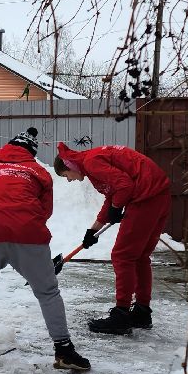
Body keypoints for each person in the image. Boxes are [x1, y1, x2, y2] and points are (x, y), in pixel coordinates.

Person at [0, 128, 90, 373]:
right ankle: (64, 350)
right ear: (31, 153)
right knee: (48, 291)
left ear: (6, 148)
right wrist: (26, 225)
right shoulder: (39, 171)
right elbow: (46, 210)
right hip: (28, 233)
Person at [54, 142, 172, 335]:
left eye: (66, 176)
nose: (68, 180)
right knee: (140, 256)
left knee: (122, 256)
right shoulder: (92, 161)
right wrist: (93, 230)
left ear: (71, 167)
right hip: (158, 194)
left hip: (145, 197)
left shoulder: (91, 162)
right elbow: (114, 193)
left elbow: (124, 186)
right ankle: (142, 312)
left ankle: (121, 315)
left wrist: (117, 207)